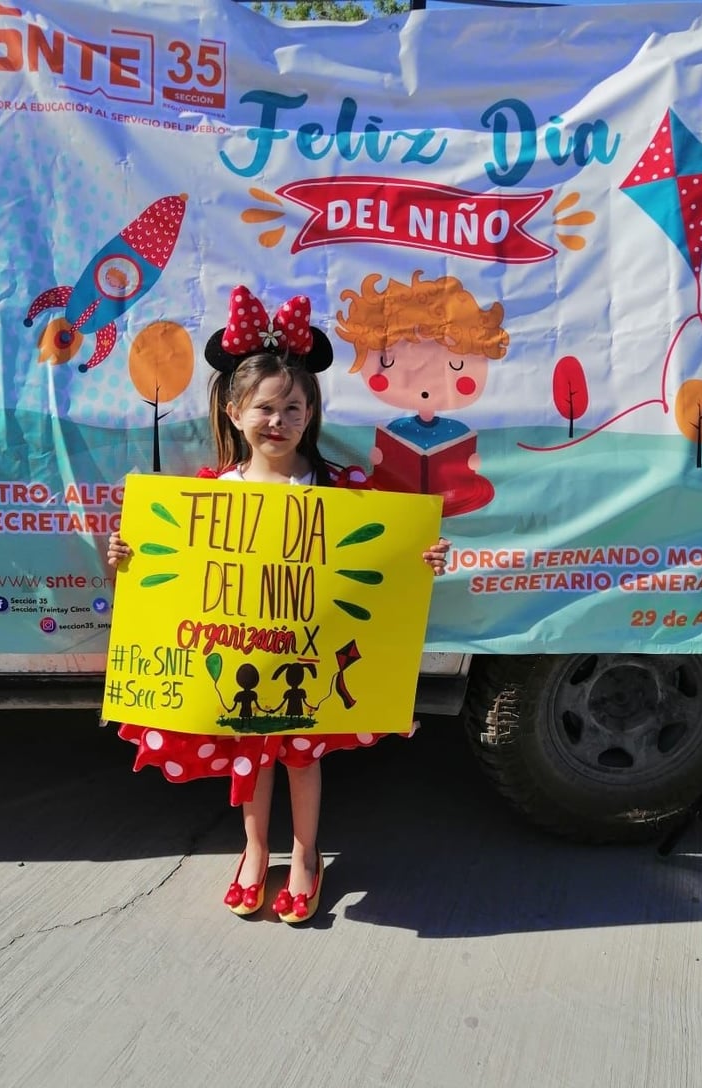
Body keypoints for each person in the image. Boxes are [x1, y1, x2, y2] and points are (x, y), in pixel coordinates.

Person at [108, 285, 449, 924]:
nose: (279, 420)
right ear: (235, 412)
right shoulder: (210, 494)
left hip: (308, 660)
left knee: (302, 757)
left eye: (294, 407)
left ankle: (305, 854)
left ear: (311, 413)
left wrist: (420, 562)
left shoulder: (340, 489)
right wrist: (130, 556)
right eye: (265, 407)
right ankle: (254, 849)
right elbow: (172, 570)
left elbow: (385, 553)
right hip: (237, 658)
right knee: (251, 751)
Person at [336, 270, 509, 516]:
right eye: (389, 362)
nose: (426, 386)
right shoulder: (396, 430)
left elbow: (468, 454)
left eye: (456, 366)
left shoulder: (457, 432)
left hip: (453, 497)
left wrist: (471, 462)